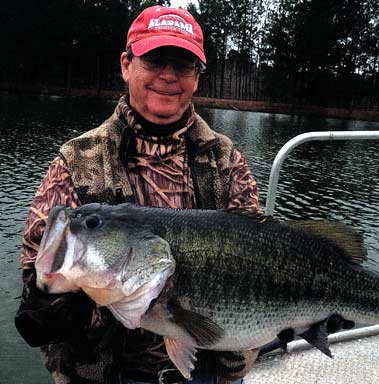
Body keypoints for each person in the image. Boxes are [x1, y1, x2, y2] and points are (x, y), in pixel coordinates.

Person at [15, 5, 263, 384]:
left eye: (182, 65)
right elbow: (35, 279)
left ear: (197, 78)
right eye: (154, 60)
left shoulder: (226, 162)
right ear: (126, 64)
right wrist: (53, 303)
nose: (168, 76)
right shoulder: (76, 162)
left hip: (206, 374)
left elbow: (259, 262)